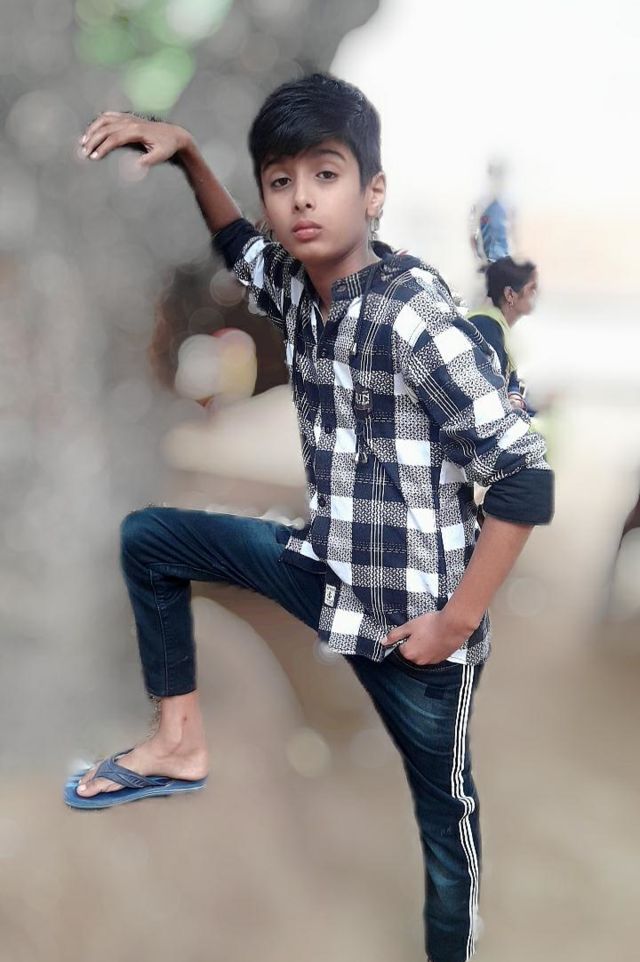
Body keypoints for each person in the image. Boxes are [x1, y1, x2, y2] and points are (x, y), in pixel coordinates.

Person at [66, 74, 554, 962]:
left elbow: (524, 476)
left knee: (444, 821)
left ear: (372, 192)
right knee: (151, 540)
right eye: (280, 180)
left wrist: (456, 622)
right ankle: (179, 742)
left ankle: (453, 948)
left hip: (417, 626)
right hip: (325, 571)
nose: (300, 199)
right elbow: (236, 244)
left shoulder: (412, 315)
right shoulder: (296, 286)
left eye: (325, 175)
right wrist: (187, 152)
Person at [467, 256, 538, 413]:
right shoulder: (486, 328)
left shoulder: (501, 325)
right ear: (510, 294)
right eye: (532, 288)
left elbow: (511, 379)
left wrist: (514, 395)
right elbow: (486, 398)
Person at [469, 159, 515, 269]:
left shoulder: (508, 205)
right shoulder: (480, 205)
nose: (497, 181)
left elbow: (513, 235)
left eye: (499, 176)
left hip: (505, 264)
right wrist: (479, 260)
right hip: (488, 265)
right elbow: (472, 234)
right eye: (494, 176)